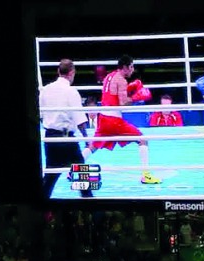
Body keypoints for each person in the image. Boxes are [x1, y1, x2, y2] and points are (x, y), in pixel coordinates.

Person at [90, 55, 161, 185]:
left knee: (93, 146)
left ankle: (71, 171)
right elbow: (122, 103)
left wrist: (130, 89)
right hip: (114, 120)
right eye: (131, 66)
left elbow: (112, 95)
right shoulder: (121, 80)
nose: (133, 70)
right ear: (125, 67)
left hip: (103, 118)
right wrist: (136, 97)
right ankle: (146, 175)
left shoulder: (109, 76)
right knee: (142, 140)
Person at [39, 59, 93, 198]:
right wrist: (87, 139)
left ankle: (39, 208)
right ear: (72, 73)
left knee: (50, 176)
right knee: (81, 172)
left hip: (50, 136)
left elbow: (40, 115)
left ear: (58, 71)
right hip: (66, 138)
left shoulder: (45, 90)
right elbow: (80, 119)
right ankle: (91, 207)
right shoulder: (71, 91)